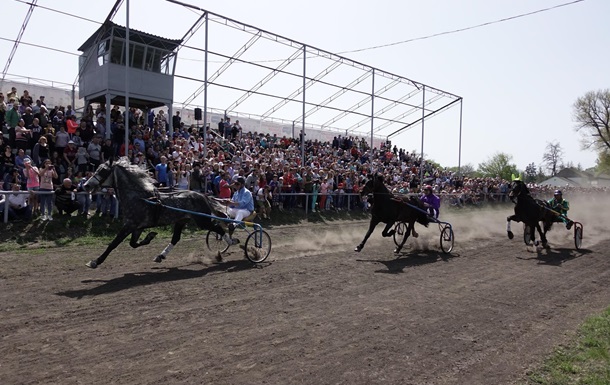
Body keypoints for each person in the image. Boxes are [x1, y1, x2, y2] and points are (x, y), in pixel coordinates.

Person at [219, 176, 254, 243]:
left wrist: (231, 203)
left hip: (247, 211)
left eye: (237, 184)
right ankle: (224, 222)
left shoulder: (247, 192)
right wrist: (225, 203)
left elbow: (243, 203)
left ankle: (234, 225)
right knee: (227, 209)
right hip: (237, 210)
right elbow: (232, 203)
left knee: (240, 212)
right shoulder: (236, 193)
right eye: (235, 184)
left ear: (242, 185)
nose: (235, 185)